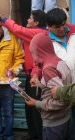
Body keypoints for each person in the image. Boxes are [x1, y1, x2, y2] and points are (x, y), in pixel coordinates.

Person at [0, 9, 47, 140]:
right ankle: (33, 134)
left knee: (35, 108)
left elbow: (17, 30)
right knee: (29, 106)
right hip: (30, 76)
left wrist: (4, 18)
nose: (27, 20)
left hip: (36, 77)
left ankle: (39, 136)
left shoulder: (38, 33)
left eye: (30, 18)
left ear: (36, 22)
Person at [31, 8, 75, 140]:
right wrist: (35, 74)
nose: (62, 29)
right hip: (62, 89)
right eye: (57, 27)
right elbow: (38, 60)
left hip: (71, 89)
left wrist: (38, 104)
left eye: (63, 24)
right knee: (68, 125)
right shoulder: (44, 40)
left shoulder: (74, 31)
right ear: (49, 27)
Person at [26, 32, 72, 140]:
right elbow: (61, 89)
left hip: (54, 123)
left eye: (33, 54)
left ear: (39, 52)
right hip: (65, 118)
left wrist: (36, 103)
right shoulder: (59, 62)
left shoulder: (48, 69)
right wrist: (42, 85)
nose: (34, 59)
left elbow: (61, 101)